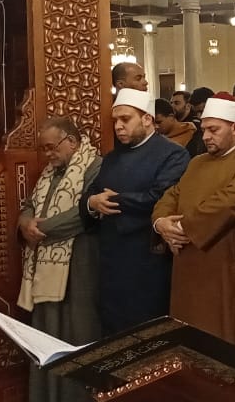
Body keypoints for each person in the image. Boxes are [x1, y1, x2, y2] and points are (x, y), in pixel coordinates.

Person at [152, 95, 235, 352]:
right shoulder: (197, 162)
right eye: (204, 129)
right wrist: (161, 223)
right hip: (188, 267)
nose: (205, 136)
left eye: (214, 130)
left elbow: (231, 202)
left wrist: (180, 229)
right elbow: (172, 195)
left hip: (227, 267)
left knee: (227, 344)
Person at [81, 89, 189, 334]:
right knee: (113, 332)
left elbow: (161, 197)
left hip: (147, 258)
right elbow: (91, 195)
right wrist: (93, 203)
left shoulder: (173, 154)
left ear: (147, 119)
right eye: (115, 120)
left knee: (147, 331)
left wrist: (114, 199)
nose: (118, 126)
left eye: (125, 119)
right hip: (111, 260)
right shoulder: (112, 158)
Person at [19, 117, 102, 402]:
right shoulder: (49, 173)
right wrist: (25, 222)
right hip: (45, 264)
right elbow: (29, 204)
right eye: (44, 148)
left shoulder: (95, 167)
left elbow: (85, 213)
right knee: (47, 331)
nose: (48, 154)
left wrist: (39, 230)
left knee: (77, 332)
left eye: (52, 147)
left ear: (72, 142)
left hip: (80, 263)